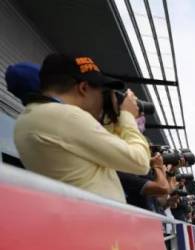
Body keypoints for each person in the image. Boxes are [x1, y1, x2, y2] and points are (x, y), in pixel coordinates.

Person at [13, 53, 150, 202]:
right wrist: (127, 115)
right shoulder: (67, 117)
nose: (102, 98)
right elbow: (140, 162)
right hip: (93, 212)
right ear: (84, 88)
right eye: (100, 91)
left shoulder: (30, 116)